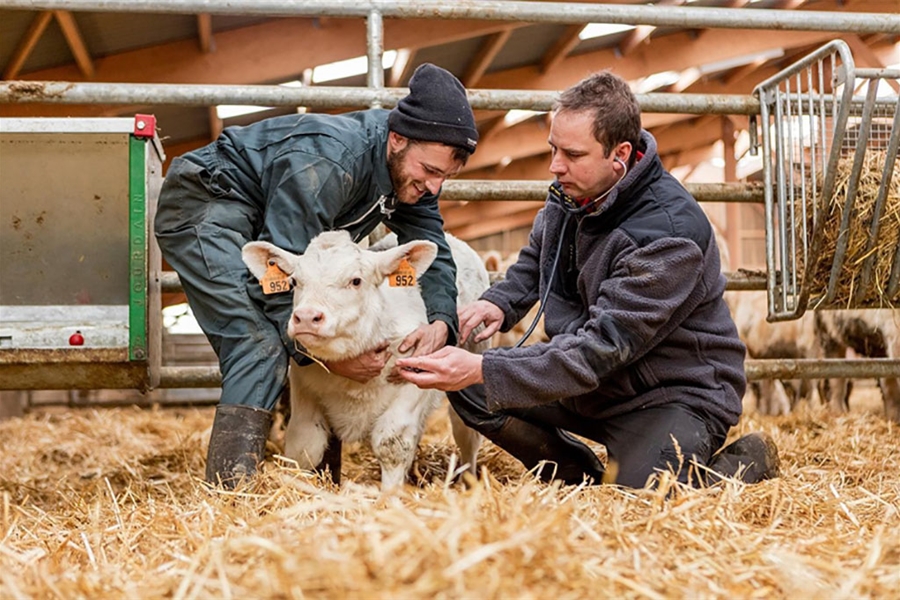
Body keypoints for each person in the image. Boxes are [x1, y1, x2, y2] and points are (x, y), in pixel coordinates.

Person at [397, 70, 780, 489]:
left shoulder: (668, 236)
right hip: (591, 381)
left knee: (647, 500)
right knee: (472, 388)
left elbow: (601, 348)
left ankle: (747, 460)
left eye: (573, 154)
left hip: (669, 394)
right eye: (553, 148)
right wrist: (501, 303)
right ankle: (578, 478)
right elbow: (536, 259)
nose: (554, 166)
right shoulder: (572, 191)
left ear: (620, 154)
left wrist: (484, 364)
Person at [154, 63, 479, 488]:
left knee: (306, 332)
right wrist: (328, 361)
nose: (434, 187)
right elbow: (282, 289)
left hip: (262, 219)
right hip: (208, 206)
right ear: (398, 140)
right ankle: (231, 495)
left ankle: (320, 484)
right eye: (430, 171)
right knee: (259, 341)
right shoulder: (329, 161)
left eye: (444, 177)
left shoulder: (409, 176)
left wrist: (441, 321)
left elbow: (432, 252)